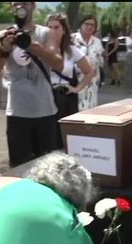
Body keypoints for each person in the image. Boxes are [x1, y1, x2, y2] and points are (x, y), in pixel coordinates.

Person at [0, 2, 64, 168]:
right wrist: (4, 49)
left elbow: (59, 64)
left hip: (45, 110)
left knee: (48, 167)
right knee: (19, 167)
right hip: (17, 112)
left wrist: (41, 51)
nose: (20, 6)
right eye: (16, 3)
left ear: (33, 6)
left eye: (24, 3)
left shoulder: (45, 33)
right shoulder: (4, 34)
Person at [46, 13, 96, 149]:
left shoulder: (71, 50)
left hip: (64, 97)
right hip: (46, 97)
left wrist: (77, 88)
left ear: (64, 30)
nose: (52, 31)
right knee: (48, 139)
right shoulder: (42, 49)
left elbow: (90, 71)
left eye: (56, 27)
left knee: (66, 139)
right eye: (49, 27)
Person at [72, 15, 104, 110]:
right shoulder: (72, 39)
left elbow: (100, 62)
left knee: (90, 110)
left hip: (92, 82)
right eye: (87, 24)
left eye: (92, 25)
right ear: (81, 25)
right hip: (76, 81)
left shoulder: (97, 42)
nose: (89, 27)